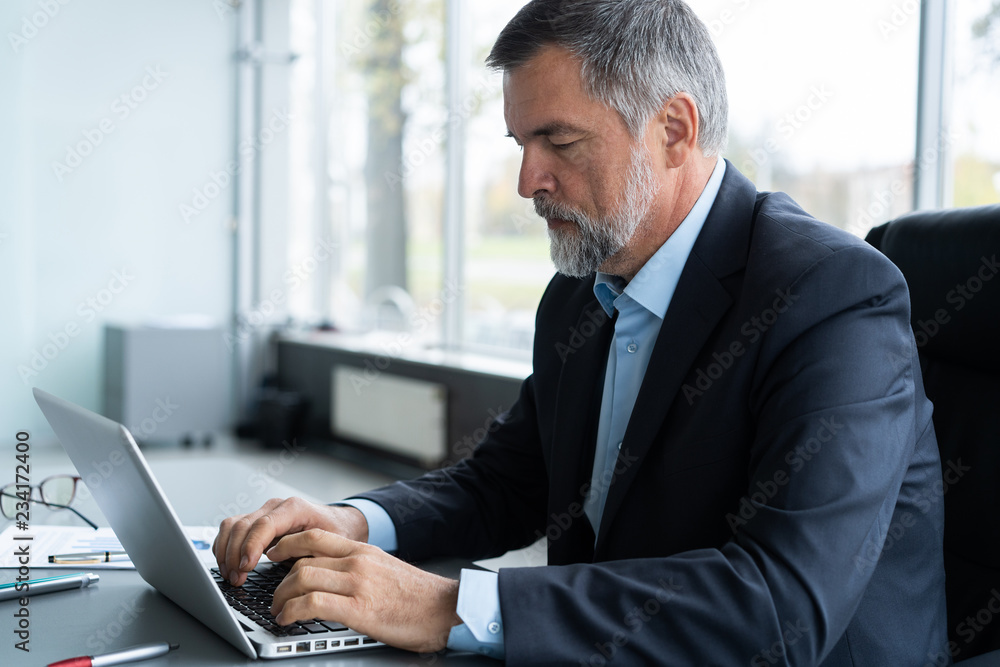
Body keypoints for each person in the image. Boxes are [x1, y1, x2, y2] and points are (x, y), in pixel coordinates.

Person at [214, 1, 948, 664]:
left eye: (559, 142)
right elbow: (509, 481)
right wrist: (355, 523)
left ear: (673, 130)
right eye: (520, 142)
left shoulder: (831, 296)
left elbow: (783, 603)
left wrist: (447, 605)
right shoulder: (581, 292)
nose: (528, 179)